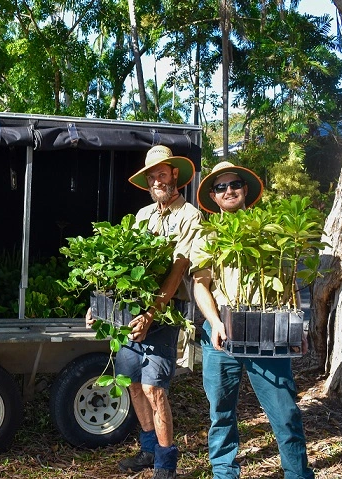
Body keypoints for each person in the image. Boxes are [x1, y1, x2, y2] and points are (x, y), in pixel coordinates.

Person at [190, 161, 314, 479]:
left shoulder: (271, 230)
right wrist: (215, 322)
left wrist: (300, 325)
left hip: (269, 328)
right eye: (221, 187)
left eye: (235, 185)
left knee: (285, 412)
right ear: (214, 197)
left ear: (245, 190)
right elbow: (200, 285)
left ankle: (297, 474)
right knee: (221, 412)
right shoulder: (209, 235)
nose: (229, 190)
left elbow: (290, 283)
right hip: (221, 331)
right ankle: (224, 473)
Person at [88, 145, 202, 479]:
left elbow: (178, 269)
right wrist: (99, 304)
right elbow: (121, 269)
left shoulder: (189, 215)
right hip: (131, 311)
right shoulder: (141, 217)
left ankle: (166, 465)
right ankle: (149, 450)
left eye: (162, 174)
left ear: (174, 176)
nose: (156, 180)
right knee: (132, 384)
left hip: (164, 313)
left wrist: (152, 312)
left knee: (155, 389)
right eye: (151, 176)